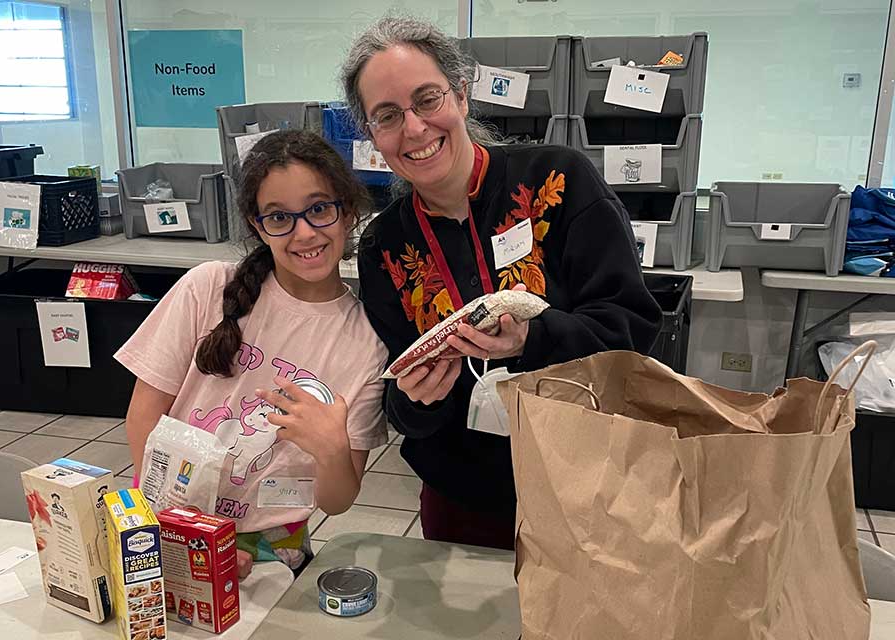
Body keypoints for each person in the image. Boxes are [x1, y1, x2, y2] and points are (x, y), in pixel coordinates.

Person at [341, 16, 663, 549]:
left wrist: (531, 341)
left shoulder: (558, 180)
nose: (415, 129)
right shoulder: (384, 246)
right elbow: (397, 403)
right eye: (388, 116)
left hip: (585, 488)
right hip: (463, 499)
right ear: (372, 135)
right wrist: (421, 400)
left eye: (427, 99)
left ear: (462, 96)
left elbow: (632, 331)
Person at [116, 130, 389, 575]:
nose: (304, 233)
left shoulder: (366, 344)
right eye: (279, 217)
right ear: (257, 225)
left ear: (349, 211)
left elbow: (337, 502)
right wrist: (186, 529)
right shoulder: (206, 287)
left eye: (319, 209)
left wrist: (333, 450)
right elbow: (144, 417)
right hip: (170, 528)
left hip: (273, 555)